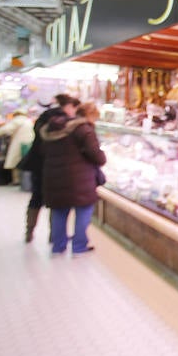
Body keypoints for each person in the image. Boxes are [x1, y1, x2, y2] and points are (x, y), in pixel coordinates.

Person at [39, 100, 106, 255]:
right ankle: (79, 245)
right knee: (83, 210)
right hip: (79, 179)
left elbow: (43, 152)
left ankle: (58, 245)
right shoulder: (84, 129)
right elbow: (98, 157)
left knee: (59, 211)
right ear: (91, 115)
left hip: (54, 176)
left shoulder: (52, 129)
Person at [19, 94, 77, 243]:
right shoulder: (66, 122)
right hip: (56, 166)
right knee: (56, 201)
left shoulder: (43, 117)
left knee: (36, 198)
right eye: (73, 108)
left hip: (37, 163)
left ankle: (29, 232)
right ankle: (55, 235)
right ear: (68, 106)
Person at [0, 109, 35, 185]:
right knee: (26, 161)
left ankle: (16, 180)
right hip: (30, 142)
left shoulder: (17, 120)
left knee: (15, 161)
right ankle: (27, 180)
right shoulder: (28, 120)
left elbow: (6, 129)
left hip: (19, 143)